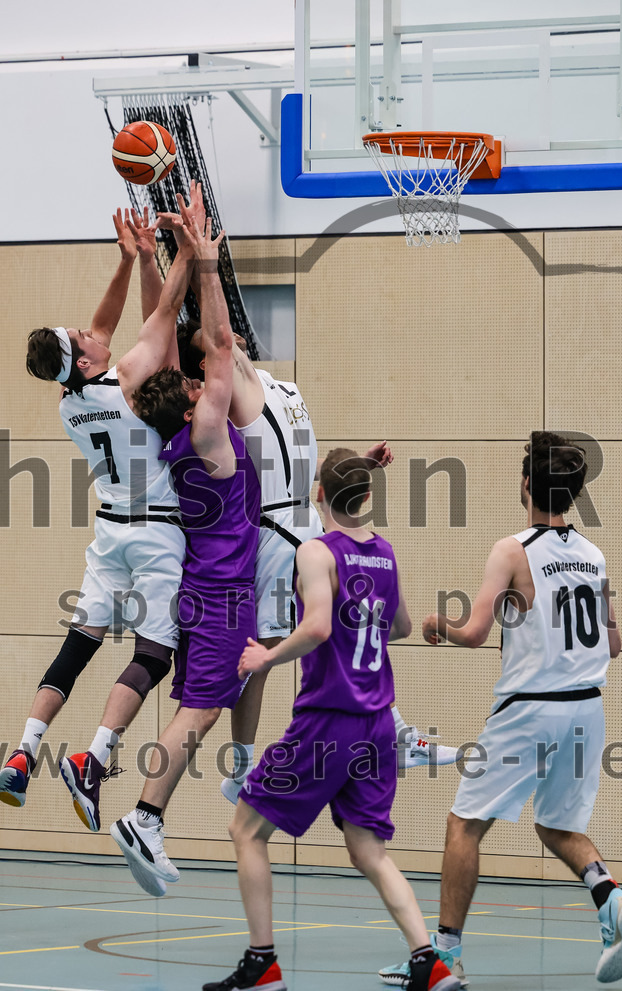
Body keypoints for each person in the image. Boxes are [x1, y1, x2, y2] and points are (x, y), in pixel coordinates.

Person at [380, 431, 622, 988]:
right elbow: (615, 645)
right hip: (587, 710)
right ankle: (612, 898)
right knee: (557, 825)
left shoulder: (513, 549)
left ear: (526, 486)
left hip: (529, 710)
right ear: (572, 494)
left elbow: (475, 633)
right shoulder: (593, 555)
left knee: (463, 826)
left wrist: (438, 627)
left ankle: (444, 957)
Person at [205, 449, 459, 991]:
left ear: (316, 493)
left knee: (245, 830)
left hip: (327, 722)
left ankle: (262, 963)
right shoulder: (385, 554)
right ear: (367, 498)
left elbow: (318, 626)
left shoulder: (317, 553)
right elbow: (402, 626)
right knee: (368, 849)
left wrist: (266, 657)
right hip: (377, 727)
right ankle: (428, 961)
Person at [173, 326, 458, 798]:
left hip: (308, 521)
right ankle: (244, 766)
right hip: (276, 536)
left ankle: (398, 735)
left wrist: (356, 469)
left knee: (348, 631)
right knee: (262, 653)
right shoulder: (225, 393)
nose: (231, 334)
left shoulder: (279, 385)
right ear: (206, 361)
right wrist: (200, 264)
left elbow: (303, 464)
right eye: (215, 337)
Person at [0, 191, 203, 828]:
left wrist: (128, 259)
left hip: (108, 533)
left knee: (78, 645)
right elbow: (163, 311)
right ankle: (94, 757)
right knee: (152, 656)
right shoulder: (132, 383)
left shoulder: (69, 402)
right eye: (84, 336)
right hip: (157, 534)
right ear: (84, 358)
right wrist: (185, 253)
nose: (93, 331)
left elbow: (105, 329)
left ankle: (24, 752)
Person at [108, 207, 262, 896]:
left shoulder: (175, 432)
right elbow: (221, 342)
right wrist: (202, 259)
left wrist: (166, 259)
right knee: (196, 712)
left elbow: (170, 344)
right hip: (222, 590)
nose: (208, 377)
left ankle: (244, 763)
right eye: (202, 380)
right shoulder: (206, 434)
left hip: (217, 587)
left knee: (239, 682)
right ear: (195, 395)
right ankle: (145, 815)